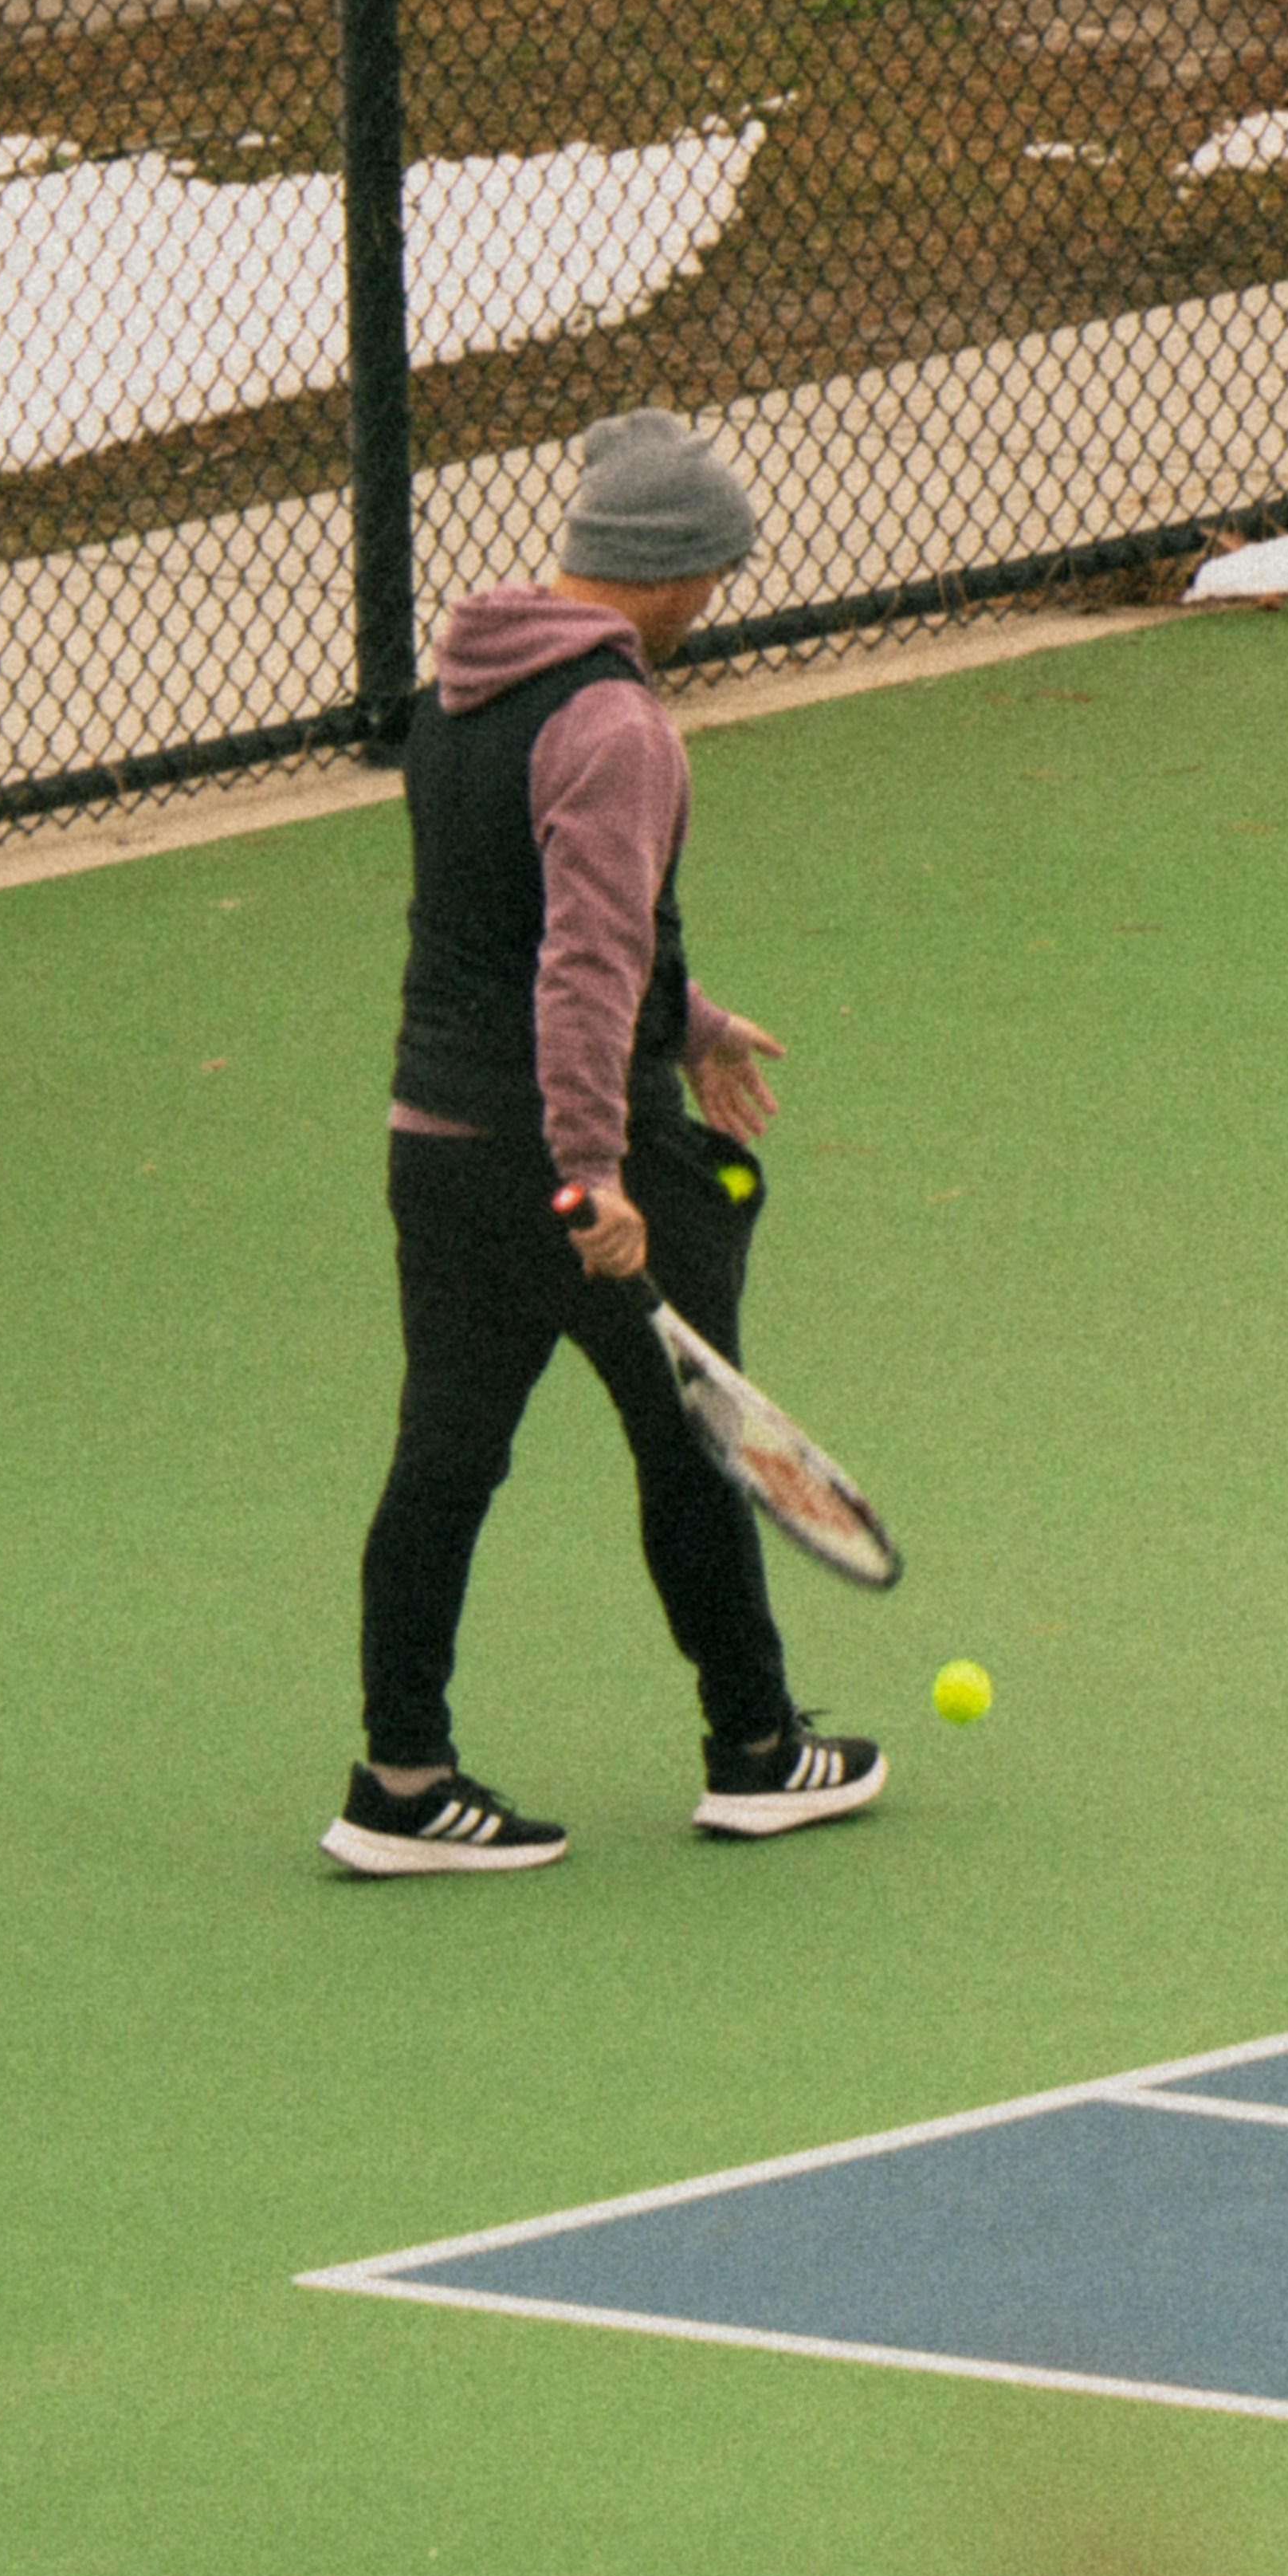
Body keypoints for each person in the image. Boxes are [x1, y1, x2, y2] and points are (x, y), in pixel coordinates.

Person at [329, 408, 886, 1876]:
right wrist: (595, 1170)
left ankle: (400, 1778)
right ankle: (758, 1750)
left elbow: (508, 916)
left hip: (435, 1141)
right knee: (693, 1449)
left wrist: (687, 1017)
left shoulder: (454, 692)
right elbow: (577, 963)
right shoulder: (618, 725)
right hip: (569, 1157)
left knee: (441, 1459)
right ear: (673, 569)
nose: (718, 598)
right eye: (715, 571)